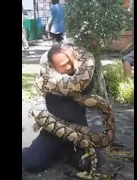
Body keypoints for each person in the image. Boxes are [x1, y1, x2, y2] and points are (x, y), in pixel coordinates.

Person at [22, 44, 100, 173]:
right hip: (52, 130)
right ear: (52, 66)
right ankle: (52, 150)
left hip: (78, 129)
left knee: (89, 163)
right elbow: (36, 100)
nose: (68, 66)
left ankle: (64, 152)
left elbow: (86, 88)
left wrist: (76, 63)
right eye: (63, 65)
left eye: (69, 62)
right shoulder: (44, 79)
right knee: (32, 164)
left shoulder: (82, 75)